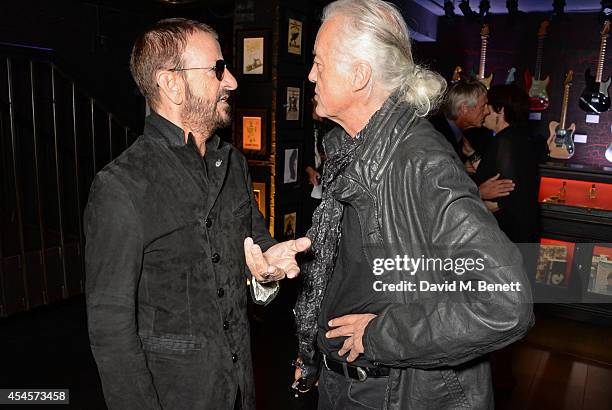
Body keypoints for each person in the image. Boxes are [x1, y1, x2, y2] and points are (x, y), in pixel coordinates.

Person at [293, 1, 534, 409]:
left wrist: (379, 336)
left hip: (391, 394)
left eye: (318, 61)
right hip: (347, 385)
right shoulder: (351, 151)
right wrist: (315, 354)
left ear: (360, 75)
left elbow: (505, 300)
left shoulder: (419, 162)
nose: (311, 74)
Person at [84, 18, 310, 410]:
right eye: (218, 69)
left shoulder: (234, 164)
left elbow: (257, 247)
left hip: (240, 388)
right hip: (175, 396)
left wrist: (266, 275)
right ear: (171, 83)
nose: (233, 82)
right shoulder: (121, 186)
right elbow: (110, 330)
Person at [430, 79, 516, 202]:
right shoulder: (436, 135)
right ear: (465, 108)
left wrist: (462, 170)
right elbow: (433, 189)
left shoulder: (459, 133)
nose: (487, 111)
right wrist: (478, 192)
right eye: (483, 106)